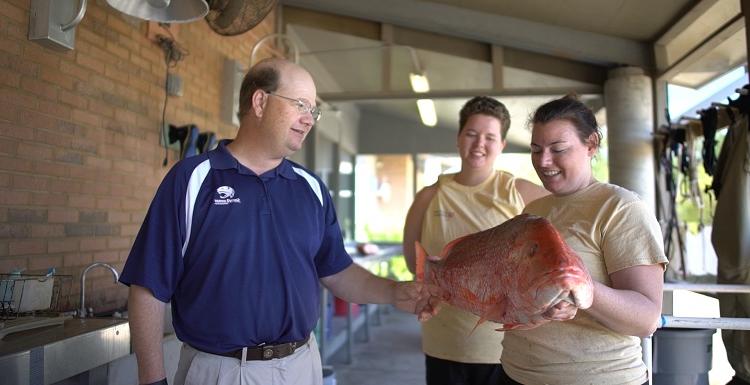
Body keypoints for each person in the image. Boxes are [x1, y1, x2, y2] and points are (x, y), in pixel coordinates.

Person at [120, 58, 442, 385]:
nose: (309, 119)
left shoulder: (311, 188)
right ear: (260, 102)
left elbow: (337, 271)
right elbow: (148, 287)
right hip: (222, 371)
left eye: (314, 111)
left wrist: (394, 291)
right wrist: (152, 380)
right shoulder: (193, 179)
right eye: (301, 105)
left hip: (303, 365)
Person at [498, 95, 668, 385]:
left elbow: (646, 319)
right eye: (536, 149)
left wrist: (580, 287)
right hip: (517, 373)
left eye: (558, 149)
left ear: (591, 145)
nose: (544, 161)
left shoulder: (620, 208)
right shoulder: (535, 210)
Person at [403, 96, 549, 385]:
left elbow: (563, 237)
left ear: (502, 145)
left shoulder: (520, 192)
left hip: (504, 347)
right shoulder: (429, 196)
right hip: (444, 341)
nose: (479, 143)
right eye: (471, 134)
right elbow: (413, 261)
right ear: (459, 138)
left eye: (490, 137)